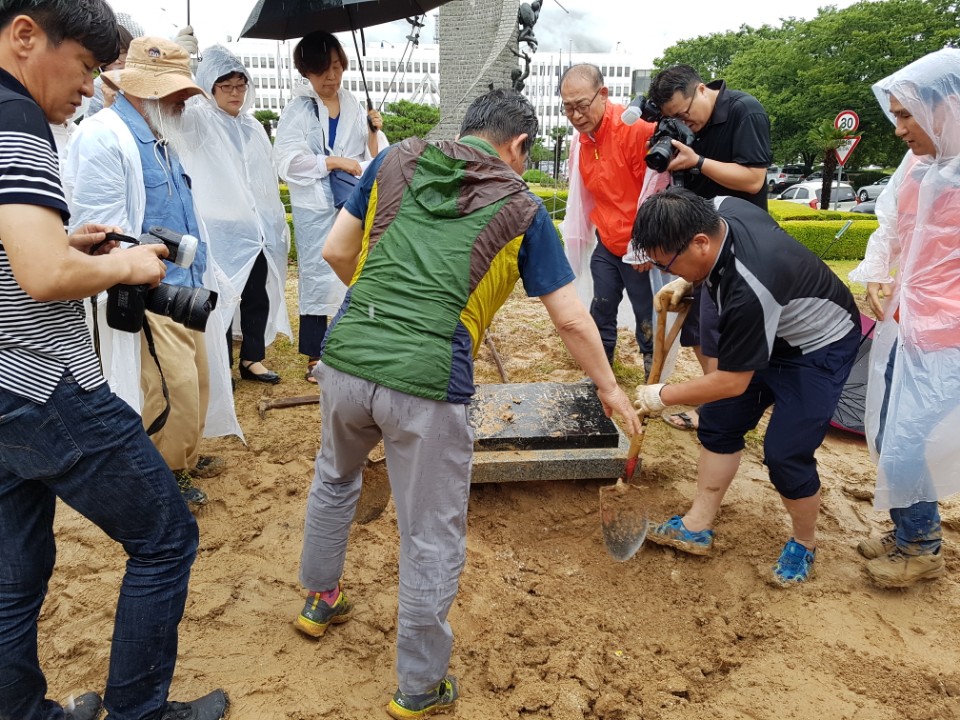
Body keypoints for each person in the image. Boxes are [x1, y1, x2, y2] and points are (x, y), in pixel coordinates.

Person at [294, 89, 641, 718]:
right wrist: (610, 388)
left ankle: (318, 599)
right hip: (425, 383)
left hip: (345, 357)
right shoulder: (522, 204)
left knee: (334, 479)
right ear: (518, 147)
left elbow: (335, 252)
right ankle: (420, 688)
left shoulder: (395, 155)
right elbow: (569, 318)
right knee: (430, 534)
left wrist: (384, 317)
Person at [0, 2, 227, 719]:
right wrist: (125, 264)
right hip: (40, 378)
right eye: (87, 67)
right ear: (27, 35)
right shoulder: (16, 117)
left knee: (14, 573)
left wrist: (71, 244)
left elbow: (30, 255)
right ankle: (141, 711)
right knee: (165, 536)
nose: (88, 85)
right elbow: (40, 277)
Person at [632, 188, 859, 586]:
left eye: (669, 264)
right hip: (768, 327)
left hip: (817, 346)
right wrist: (694, 282)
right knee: (719, 423)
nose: (667, 272)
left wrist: (660, 396)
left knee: (786, 454)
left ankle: (804, 543)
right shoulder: (719, 207)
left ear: (700, 242)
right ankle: (696, 524)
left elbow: (731, 382)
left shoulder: (750, 287)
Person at [63, 36, 240, 507]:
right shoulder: (103, 136)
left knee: (198, 383)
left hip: (184, 288)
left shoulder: (164, 135)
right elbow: (100, 231)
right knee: (169, 391)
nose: (186, 102)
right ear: (146, 91)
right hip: (149, 295)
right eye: (179, 93)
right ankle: (164, 482)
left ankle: (182, 456)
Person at [848, 48, 960, 588]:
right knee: (893, 430)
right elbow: (889, 223)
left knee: (913, 437)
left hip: (947, 339)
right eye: (895, 115)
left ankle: (922, 545)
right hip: (906, 324)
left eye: (906, 115)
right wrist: (876, 272)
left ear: (949, 106)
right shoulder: (920, 163)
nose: (899, 129)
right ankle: (904, 530)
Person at [647, 64, 772, 431]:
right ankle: (716, 406)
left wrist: (698, 161)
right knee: (701, 331)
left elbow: (752, 180)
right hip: (701, 246)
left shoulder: (743, 110)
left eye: (686, 113)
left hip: (739, 244)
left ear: (701, 89)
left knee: (722, 331)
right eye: (675, 118)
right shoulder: (684, 126)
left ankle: (724, 410)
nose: (686, 122)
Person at [274, 30, 388, 384]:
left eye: (337, 67)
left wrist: (373, 130)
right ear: (306, 71)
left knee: (354, 270)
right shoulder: (299, 109)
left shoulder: (353, 104)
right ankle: (314, 355)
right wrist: (333, 163)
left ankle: (352, 346)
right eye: (323, 69)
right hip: (313, 207)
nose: (332, 76)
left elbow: (374, 157)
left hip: (348, 203)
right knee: (316, 276)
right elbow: (288, 161)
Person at [180, 44, 292, 385]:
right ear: (210, 88)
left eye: (240, 86)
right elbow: (176, 106)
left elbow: (265, 180)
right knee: (221, 296)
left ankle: (252, 359)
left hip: (254, 229)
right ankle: (221, 363)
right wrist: (188, 63)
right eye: (225, 87)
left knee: (256, 294)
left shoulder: (254, 127)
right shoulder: (198, 120)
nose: (234, 93)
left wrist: (273, 226)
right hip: (218, 228)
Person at [559, 63, 658, 375]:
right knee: (600, 308)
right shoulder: (583, 140)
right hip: (607, 242)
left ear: (603, 94)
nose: (575, 116)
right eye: (568, 108)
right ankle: (601, 372)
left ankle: (652, 374)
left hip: (639, 247)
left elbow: (658, 190)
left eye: (582, 106)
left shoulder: (635, 130)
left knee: (647, 315)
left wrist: (647, 243)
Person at [86, 23, 131, 116]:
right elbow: (91, 123)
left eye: (122, 53)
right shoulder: (96, 87)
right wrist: (108, 104)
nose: (117, 61)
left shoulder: (143, 80)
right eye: (111, 56)